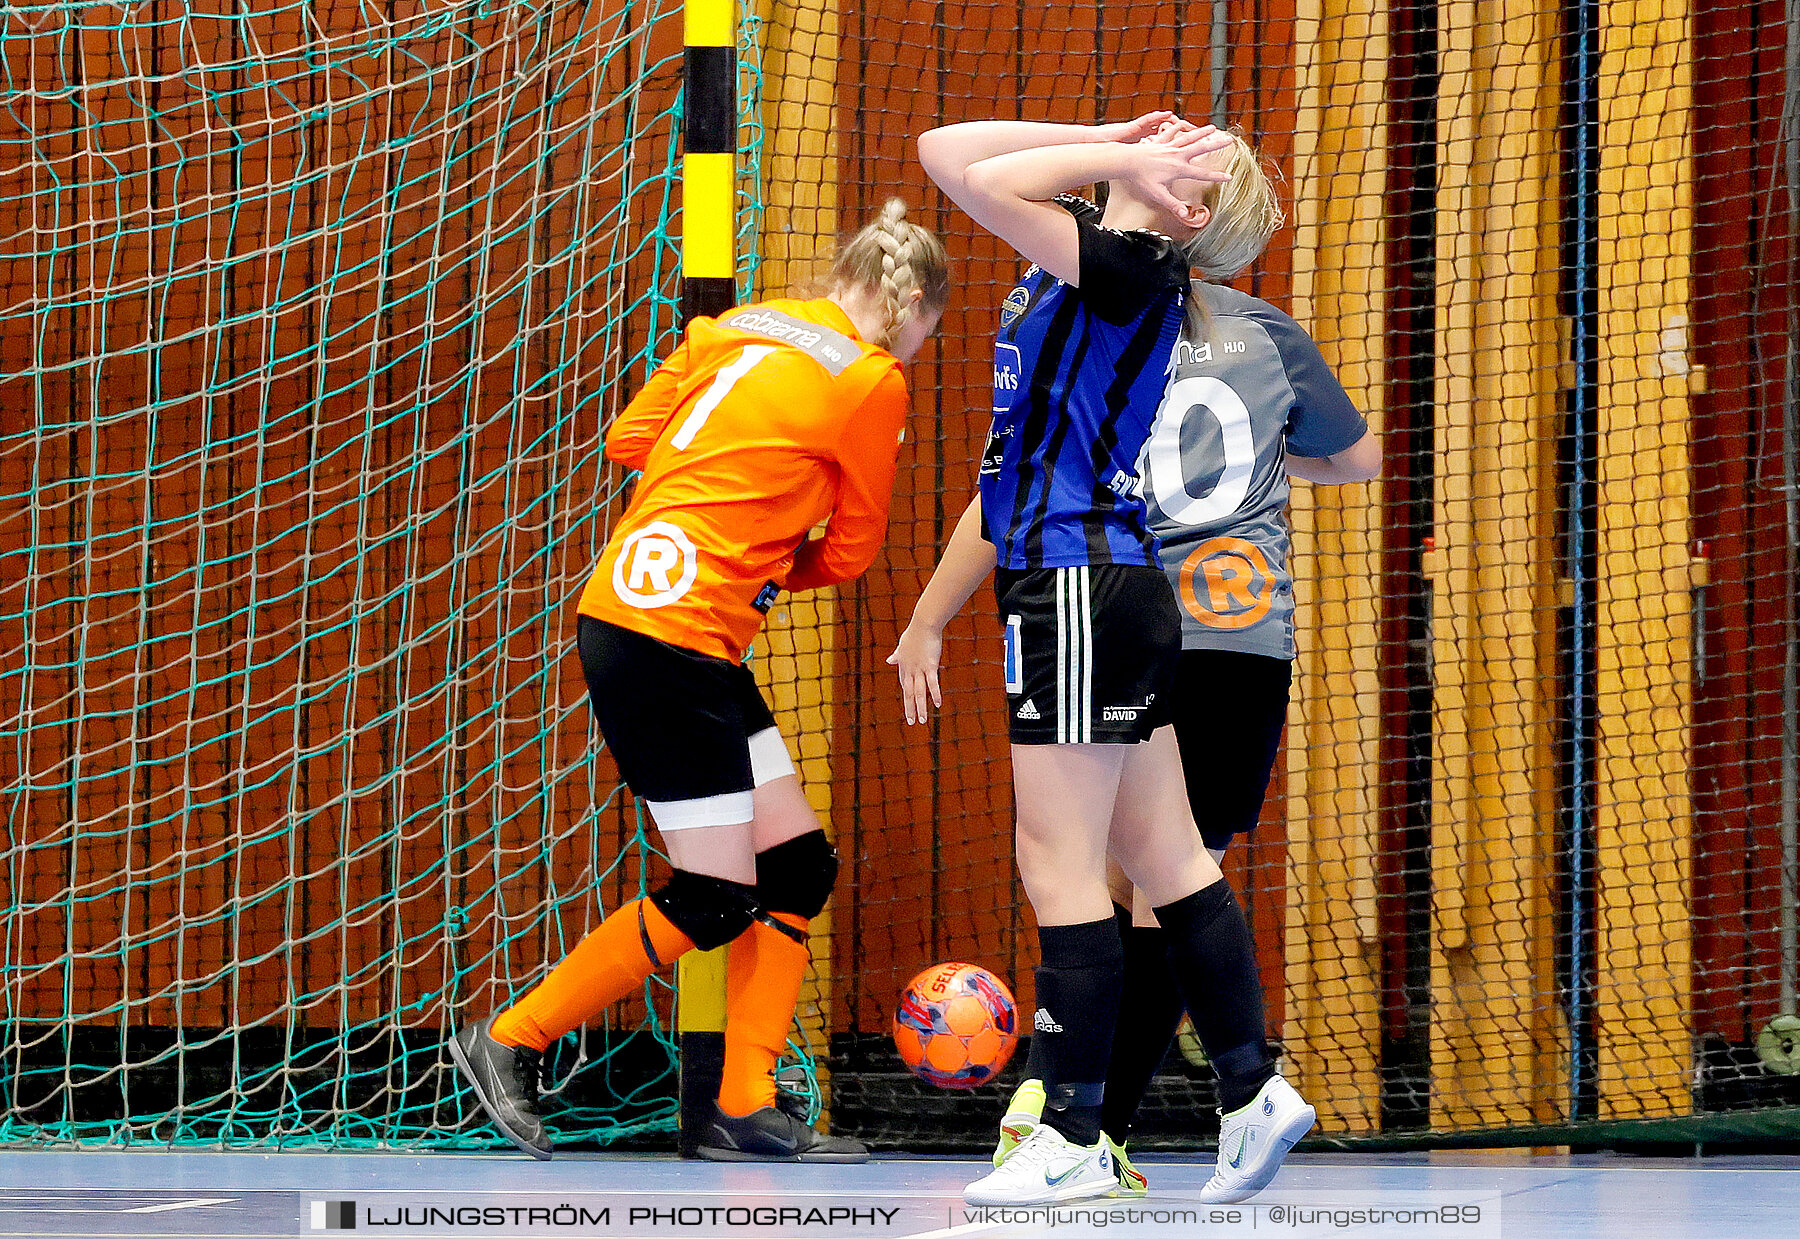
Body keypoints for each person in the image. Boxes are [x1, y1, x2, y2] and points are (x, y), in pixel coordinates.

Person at [450, 199, 949, 1163]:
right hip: (668, 640)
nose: (922, 347)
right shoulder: (872, 378)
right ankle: (510, 1037)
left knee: (798, 867)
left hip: (648, 617)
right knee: (719, 894)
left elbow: (632, 443)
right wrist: (772, 559)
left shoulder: (731, 326)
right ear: (910, 307)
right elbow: (850, 551)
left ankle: (743, 1102)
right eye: (928, 331)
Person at [892, 113, 1312, 1207]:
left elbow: (976, 181)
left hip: (1076, 585)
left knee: (1059, 864)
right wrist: (1112, 137)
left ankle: (1072, 1134)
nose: (1179, 139)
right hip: (1105, 587)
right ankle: (1252, 1090)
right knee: (1170, 857)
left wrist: (1126, 163)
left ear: (1191, 211)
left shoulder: (1128, 264)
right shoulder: (1087, 237)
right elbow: (946, 150)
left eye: (1197, 158)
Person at [990, 138, 1381, 1200]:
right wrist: (1262, 462)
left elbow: (1029, 473)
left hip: (1108, 594)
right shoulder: (1262, 330)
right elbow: (1356, 458)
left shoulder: (1104, 303)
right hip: (1238, 633)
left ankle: (1085, 1126)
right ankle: (1213, 1099)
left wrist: (932, 618)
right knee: (1171, 866)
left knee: (1110, 869)